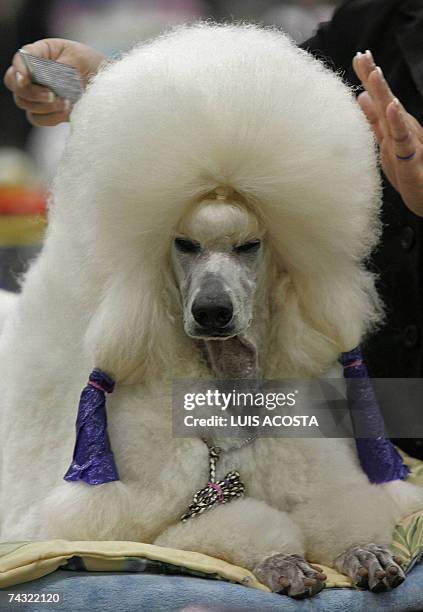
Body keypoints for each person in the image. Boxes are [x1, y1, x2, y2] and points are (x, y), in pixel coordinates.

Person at [3, 0, 423, 458]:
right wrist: (106, 85)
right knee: (189, 414)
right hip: (364, 407)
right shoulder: (377, 19)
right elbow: (251, 99)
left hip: (381, 412)